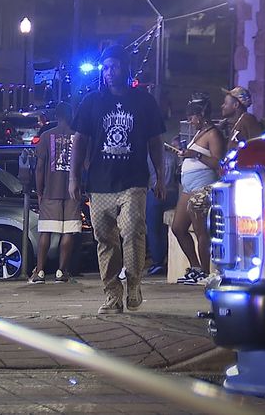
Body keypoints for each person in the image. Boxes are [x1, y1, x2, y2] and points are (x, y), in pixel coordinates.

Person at [69, 44, 166, 314]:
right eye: (106, 67)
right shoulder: (92, 101)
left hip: (134, 180)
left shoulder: (143, 101)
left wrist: (160, 176)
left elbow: (155, 140)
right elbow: (80, 140)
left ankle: (133, 282)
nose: (109, 72)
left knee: (133, 229)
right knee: (105, 239)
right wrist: (73, 177)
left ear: (126, 67)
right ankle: (112, 295)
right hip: (100, 182)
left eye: (114, 66)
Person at [172, 95, 225, 286]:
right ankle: (194, 267)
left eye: (193, 117)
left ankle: (204, 270)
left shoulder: (213, 134)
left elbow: (218, 162)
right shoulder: (199, 132)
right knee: (178, 228)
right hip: (188, 186)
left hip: (203, 186)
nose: (191, 121)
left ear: (202, 115)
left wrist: (194, 154)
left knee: (201, 231)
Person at [29, 104, 78, 284]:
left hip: (50, 190)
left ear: (56, 115)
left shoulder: (46, 136)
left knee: (46, 232)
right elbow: (85, 165)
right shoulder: (78, 136)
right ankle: (61, 271)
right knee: (68, 232)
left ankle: (40, 272)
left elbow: (40, 167)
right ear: (71, 113)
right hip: (73, 192)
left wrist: (40, 190)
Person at [145, 136, 180, 276]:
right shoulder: (173, 157)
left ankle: (157, 262)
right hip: (172, 194)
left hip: (155, 193)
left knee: (154, 230)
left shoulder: (149, 157)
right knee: (167, 229)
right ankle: (167, 259)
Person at [219, 86, 262, 150]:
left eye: (225, 103)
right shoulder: (230, 123)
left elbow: (257, 146)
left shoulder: (248, 119)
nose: (222, 106)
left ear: (236, 105)